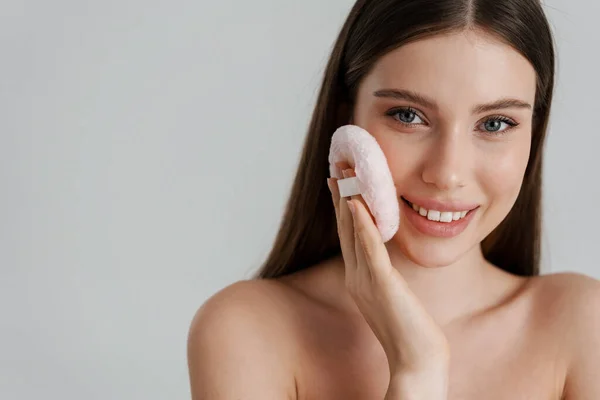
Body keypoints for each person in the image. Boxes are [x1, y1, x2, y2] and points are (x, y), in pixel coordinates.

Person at [187, 0, 600, 398]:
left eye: (495, 123)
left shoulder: (583, 326)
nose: (447, 173)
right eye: (408, 115)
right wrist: (416, 368)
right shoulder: (248, 331)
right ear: (345, 122)